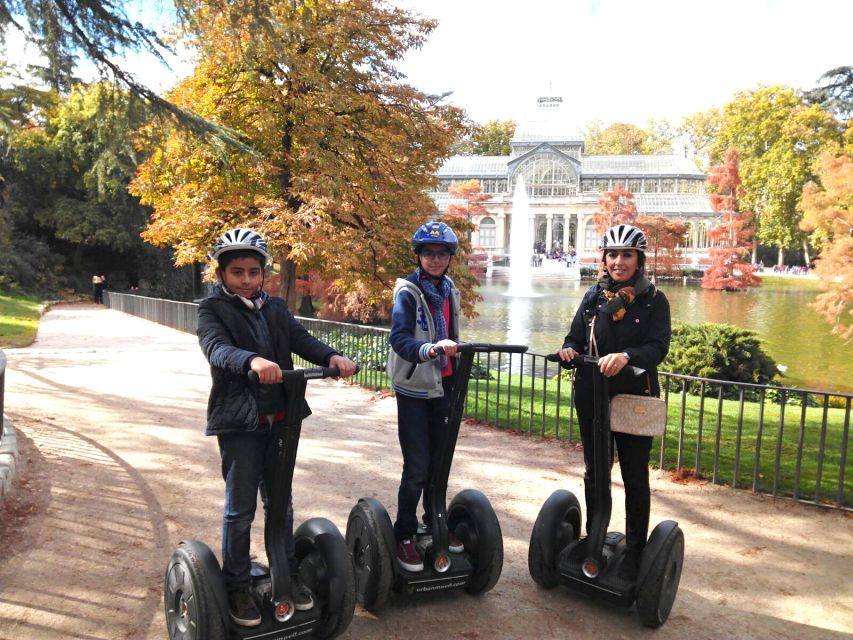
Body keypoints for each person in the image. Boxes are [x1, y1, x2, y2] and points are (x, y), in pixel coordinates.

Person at [197, 228, 357, 627]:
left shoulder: (275, 307)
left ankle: (283, 575)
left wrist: (332, 356)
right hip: (240, 420)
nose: (247, 280)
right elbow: (216, 348)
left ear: (264, 272)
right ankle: (236, 584)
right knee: (240, 508)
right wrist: (251, 361)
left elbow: (300, 340)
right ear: (222, 273)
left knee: (281, 502)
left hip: (282, 417)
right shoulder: (212, 309)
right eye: (237, 272)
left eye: (254, 271)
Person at [556, 224, 671, 581]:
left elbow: (658, 347)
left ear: (639, 260)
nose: (619, 261)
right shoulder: (593, 298)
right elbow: (574, 336)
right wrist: (568, 349)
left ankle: (636, 547)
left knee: (634, 473)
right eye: (613, 254)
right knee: (595, 470)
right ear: (603, 259)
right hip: (592, 394)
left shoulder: (654, 300)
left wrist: (626, 355)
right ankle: (596, 534)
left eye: (627, 255)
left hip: (634, 397)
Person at [386, 221, 466, 572]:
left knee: (440, 463)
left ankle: (435, 523)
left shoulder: (449, 289)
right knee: (417, 467)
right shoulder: (407, 292)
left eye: (442, 254)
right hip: (416, 388)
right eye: (429, 254)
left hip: (445, 386)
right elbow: (399, 340)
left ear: (450, 258)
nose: (436, 260)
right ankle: (403, 533)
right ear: (418, 256)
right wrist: (430, 349)